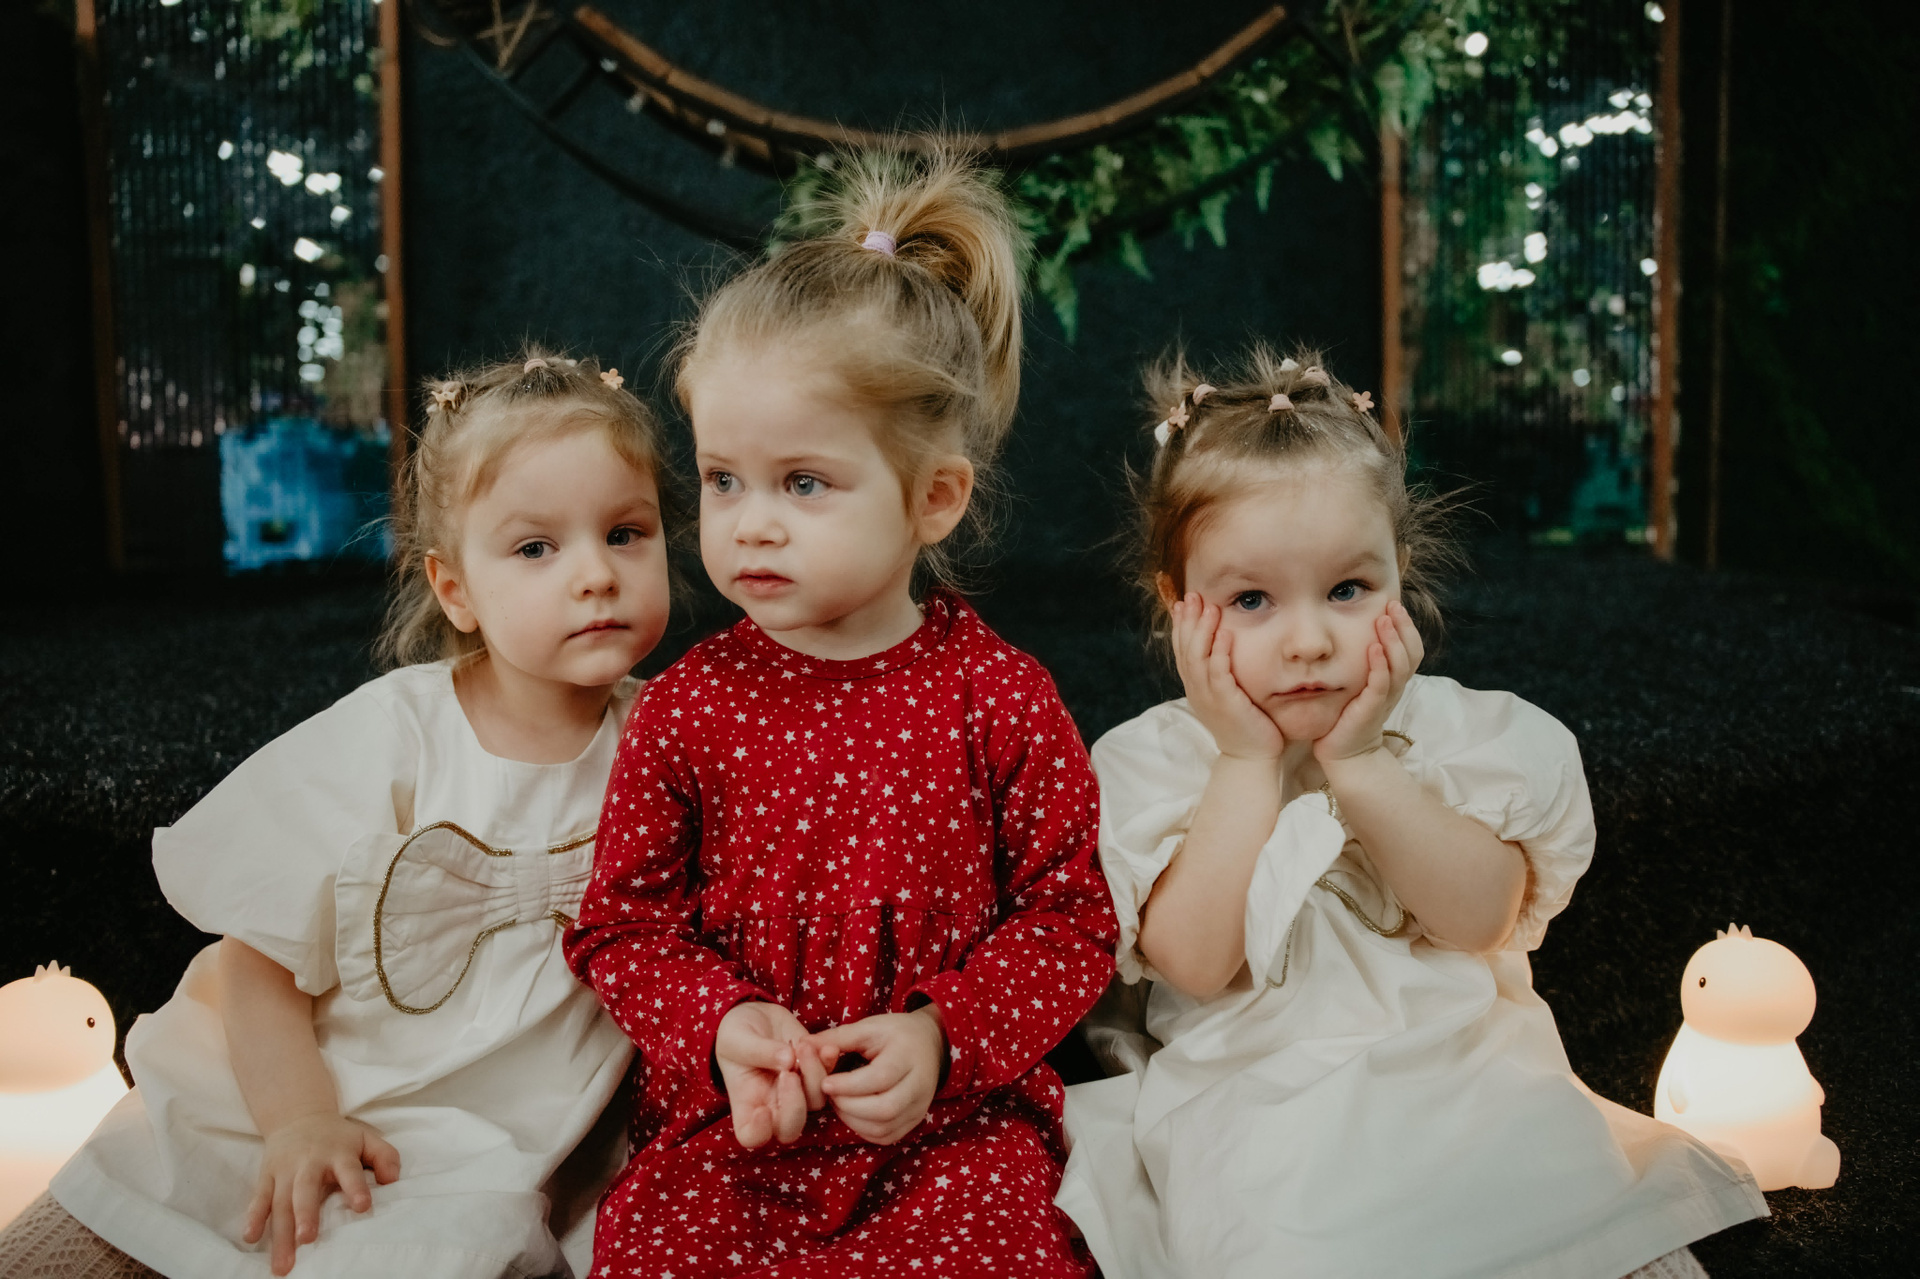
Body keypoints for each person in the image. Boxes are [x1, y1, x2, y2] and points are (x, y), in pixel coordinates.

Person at [1054, 347, 1768, 1279]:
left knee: (1527, 1178)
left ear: (1401, 572)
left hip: (1453, 1057)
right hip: (1257, 1086)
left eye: (1348, 590)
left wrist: (1360, 764)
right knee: (1280, 1232)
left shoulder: (1455, 738)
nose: (1309, 640)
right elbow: (1194, 961)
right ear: (1179, 605)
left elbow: (1481, 919)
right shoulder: (1158, 763)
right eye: (1252, 600)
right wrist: (1246, 762)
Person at [564, 144, 1117, 1279]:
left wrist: (943, 1038)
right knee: (656, 1252)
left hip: (949, 1131)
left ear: (935, 497)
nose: (751, 522)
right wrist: (723, 1026)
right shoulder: (688, 708)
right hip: (736, 1128)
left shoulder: (1000, 698)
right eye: (724, 479)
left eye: (803, 482)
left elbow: (1070, 922)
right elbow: (623, 925)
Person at [1, 353, 673, 1279]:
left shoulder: (671, 738)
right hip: (310, 1082)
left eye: (626, 533)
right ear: (455, 590)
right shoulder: (400, 735)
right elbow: (258, 959)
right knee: (125, 1212)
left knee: (443, 1248)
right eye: (535, 548)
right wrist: (300, 1117)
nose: (596, 574)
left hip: (498, 1138)